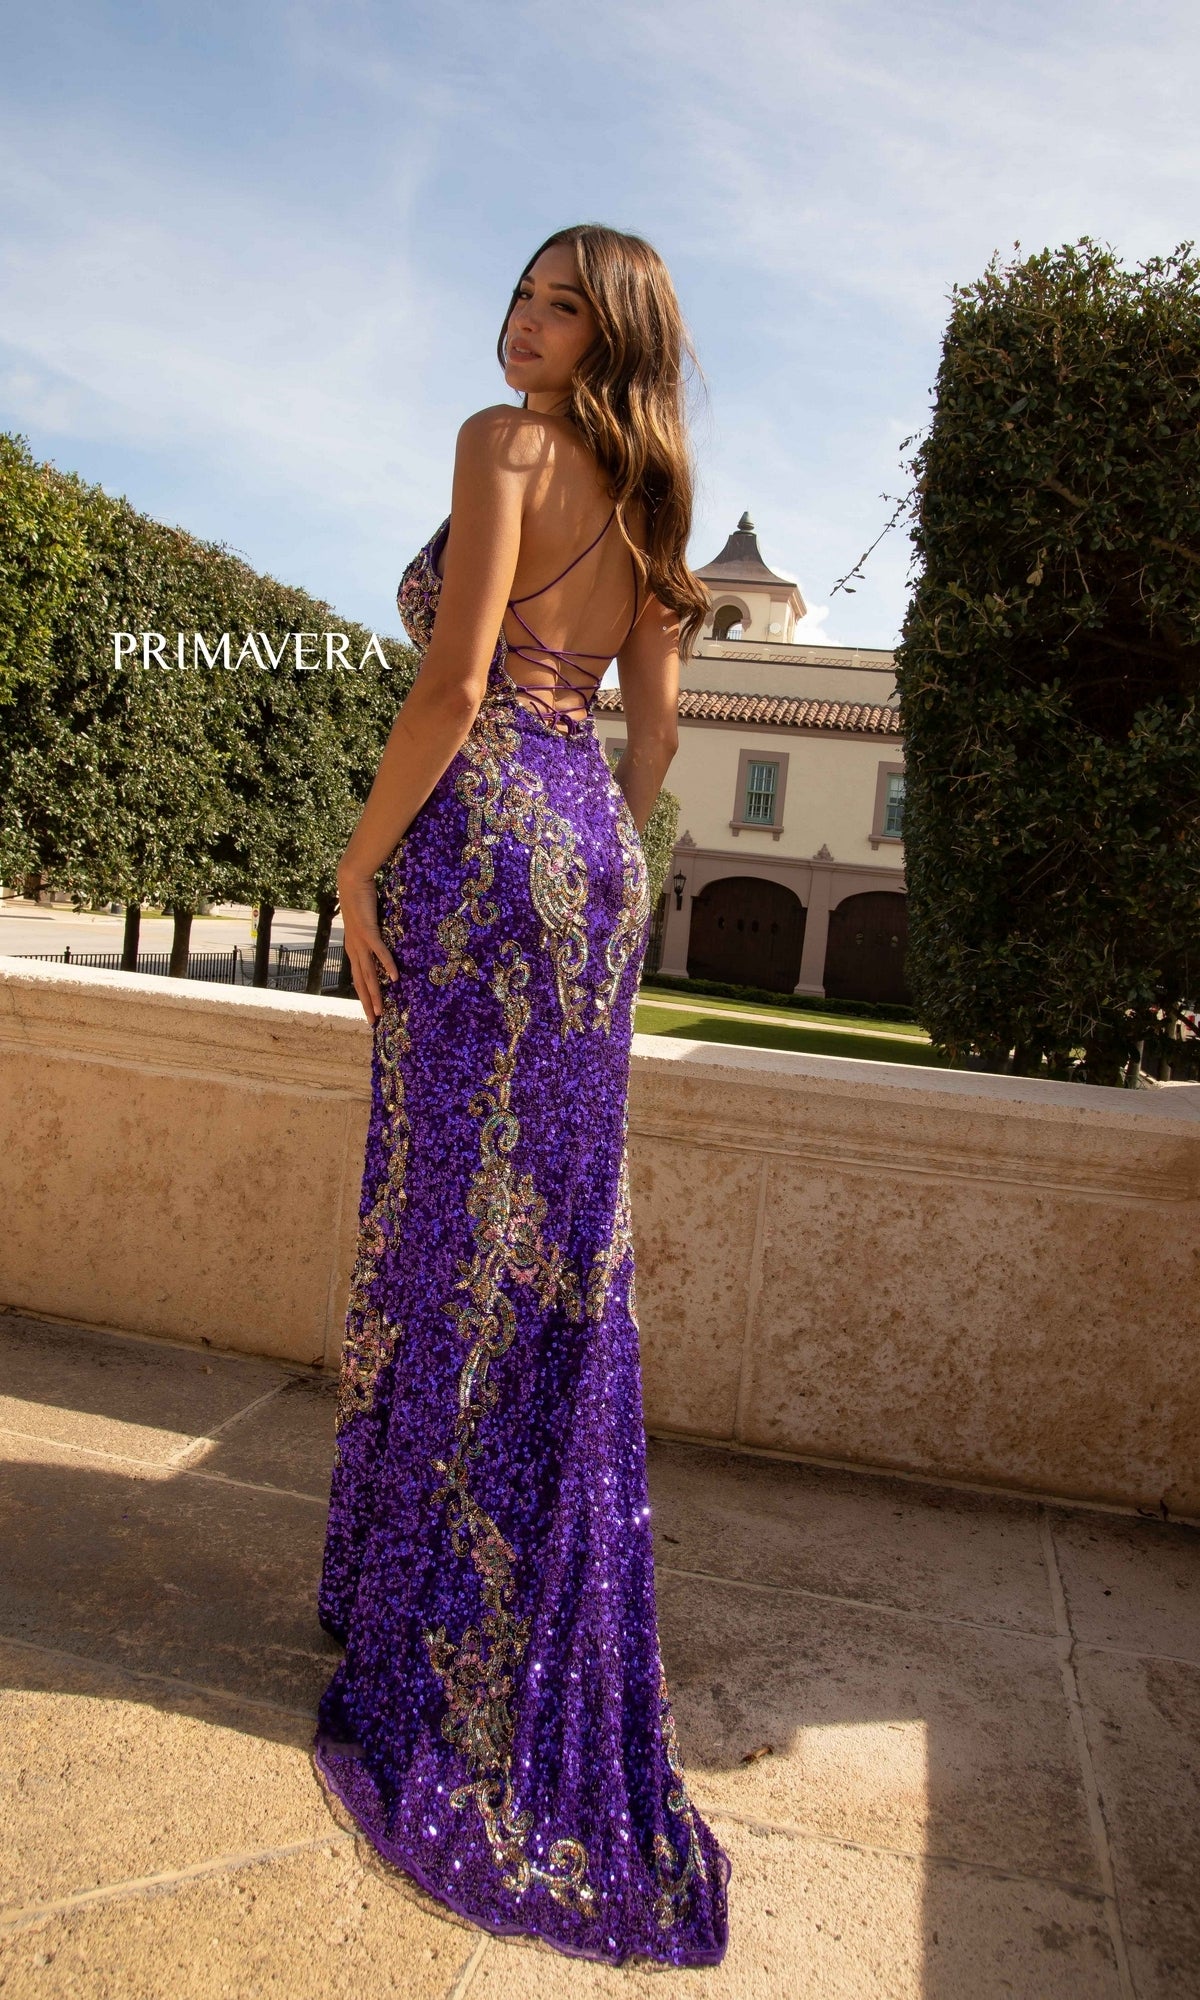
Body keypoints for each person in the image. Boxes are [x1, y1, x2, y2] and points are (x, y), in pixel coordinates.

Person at [314, 223, 731, 1968]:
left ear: (604, 331)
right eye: (521, 291)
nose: (522, 321)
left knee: (441, 1231)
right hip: (591, 874)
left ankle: (420, 1621)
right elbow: (654, 736)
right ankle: (505, 1626)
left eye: (559, 305)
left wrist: (354, 867)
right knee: (555, 1246)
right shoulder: (650, 508)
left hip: (478, 840)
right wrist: (608, 866)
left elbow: (455, 678)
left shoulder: (505, 448)